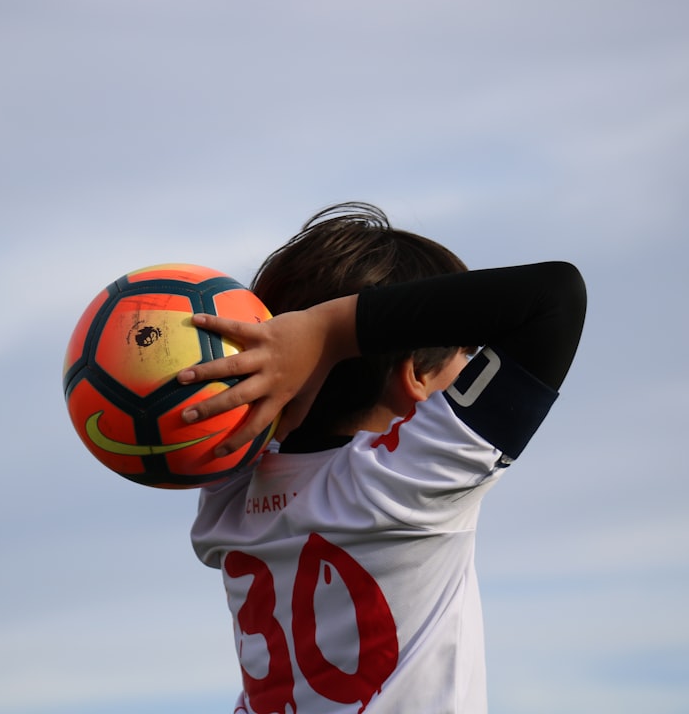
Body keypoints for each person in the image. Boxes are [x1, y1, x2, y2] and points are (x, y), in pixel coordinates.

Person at [178, 203, 587, 714]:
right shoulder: (397, 486)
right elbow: (555, 296)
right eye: (466, 353)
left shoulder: (229, 489)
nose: (469, 366)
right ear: (416, 372)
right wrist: (329, 332)